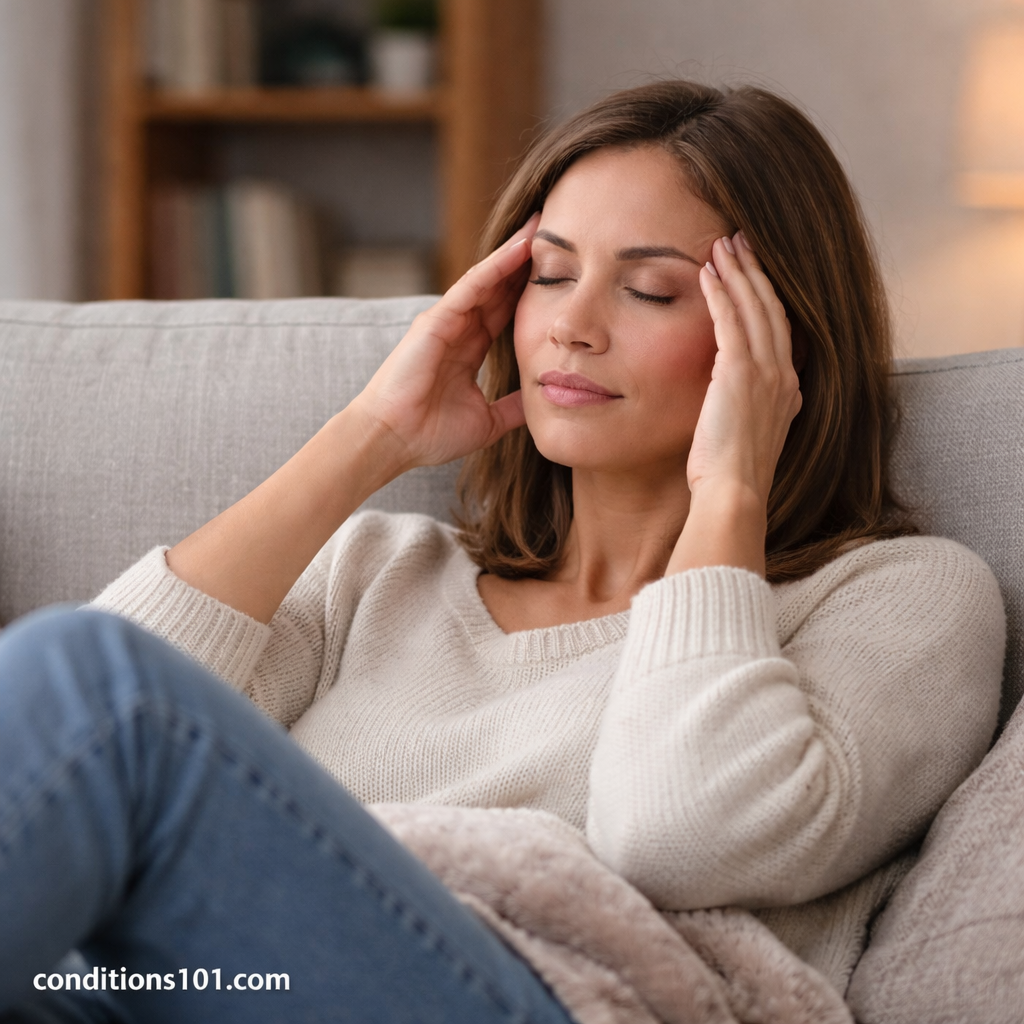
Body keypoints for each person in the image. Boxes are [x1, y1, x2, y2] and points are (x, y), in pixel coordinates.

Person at [0, 80, 1006, 1023]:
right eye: (550, 273)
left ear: (781, 341)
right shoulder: (378, 572)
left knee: (86, 671)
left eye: (649, 289)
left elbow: (686, 834)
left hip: (546, 998)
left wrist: (730, 490)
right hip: (230, 988)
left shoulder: (900, 595)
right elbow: (92, 773)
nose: (570, 323)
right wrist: (370, 439)